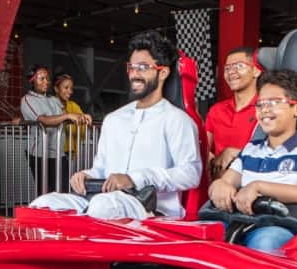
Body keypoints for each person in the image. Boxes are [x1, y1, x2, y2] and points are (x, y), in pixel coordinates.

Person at [30, 30, 201, 220]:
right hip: (102, 200)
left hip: (150, 209)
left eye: (143, 67)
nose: (134, 74)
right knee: (42, 204)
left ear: (163, 72)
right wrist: (86, 175)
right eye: (131, 67)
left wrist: (135, 178)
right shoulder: (114, 119)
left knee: (102, 207)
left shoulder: (177, 120)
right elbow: (101, 169)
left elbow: (191, 173)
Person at [208, 69, 297, 251]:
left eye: (274, 102)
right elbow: (227, 182)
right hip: (240, 220)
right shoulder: (251, 149)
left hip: (281, 226)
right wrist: (218, 185)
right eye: (260, 104)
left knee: (264, 243)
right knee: (202, 235)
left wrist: (258, 187)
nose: (265, 110)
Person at [20, 64, 91, 194]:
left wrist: (82, 116)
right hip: (40, 154)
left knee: (63, 190)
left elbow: (65, 118)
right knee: (46, 192)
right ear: (32, 80)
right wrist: (68, 116)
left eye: (47, 78)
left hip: (59, 153)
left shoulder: (53, 100)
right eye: (41, 78)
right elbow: (44, 120)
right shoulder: (27, 100)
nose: (46, 82)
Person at [205, 46, 260, 180]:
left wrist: (233, 153)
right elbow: (204, 149)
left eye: (239, 66)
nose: (231, 72)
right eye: (227, 68)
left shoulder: (266, 109)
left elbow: (274, 154)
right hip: (217, 182)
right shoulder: (216, 110)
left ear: (256, 71)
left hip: (251, 182)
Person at [52, 73, 91, 163]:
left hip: (69, 152)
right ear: (56, 89)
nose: (70, 92)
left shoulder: (73, 105)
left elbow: (83, 120)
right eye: (66, 88)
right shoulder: (50, 104)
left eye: (71, 88)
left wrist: (86, 118)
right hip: (53, 152)